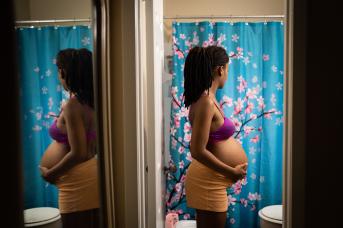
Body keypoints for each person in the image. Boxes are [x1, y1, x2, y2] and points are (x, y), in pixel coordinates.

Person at [184, 45, 248, 228]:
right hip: (208, 182)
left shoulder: (207, 99)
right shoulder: (206, 101)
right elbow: (197, 150)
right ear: (220, 70)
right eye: (227, 69)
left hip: (211, 180)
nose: (227, 74)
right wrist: (231, 172)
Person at [39, 48, 100, 228]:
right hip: (86, 174)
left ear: (66, 72)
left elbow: (79, 153)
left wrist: (51, 174)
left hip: (76, 180)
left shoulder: (73, 105)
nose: (59, 75)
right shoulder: (93, 101)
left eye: (59, 70)